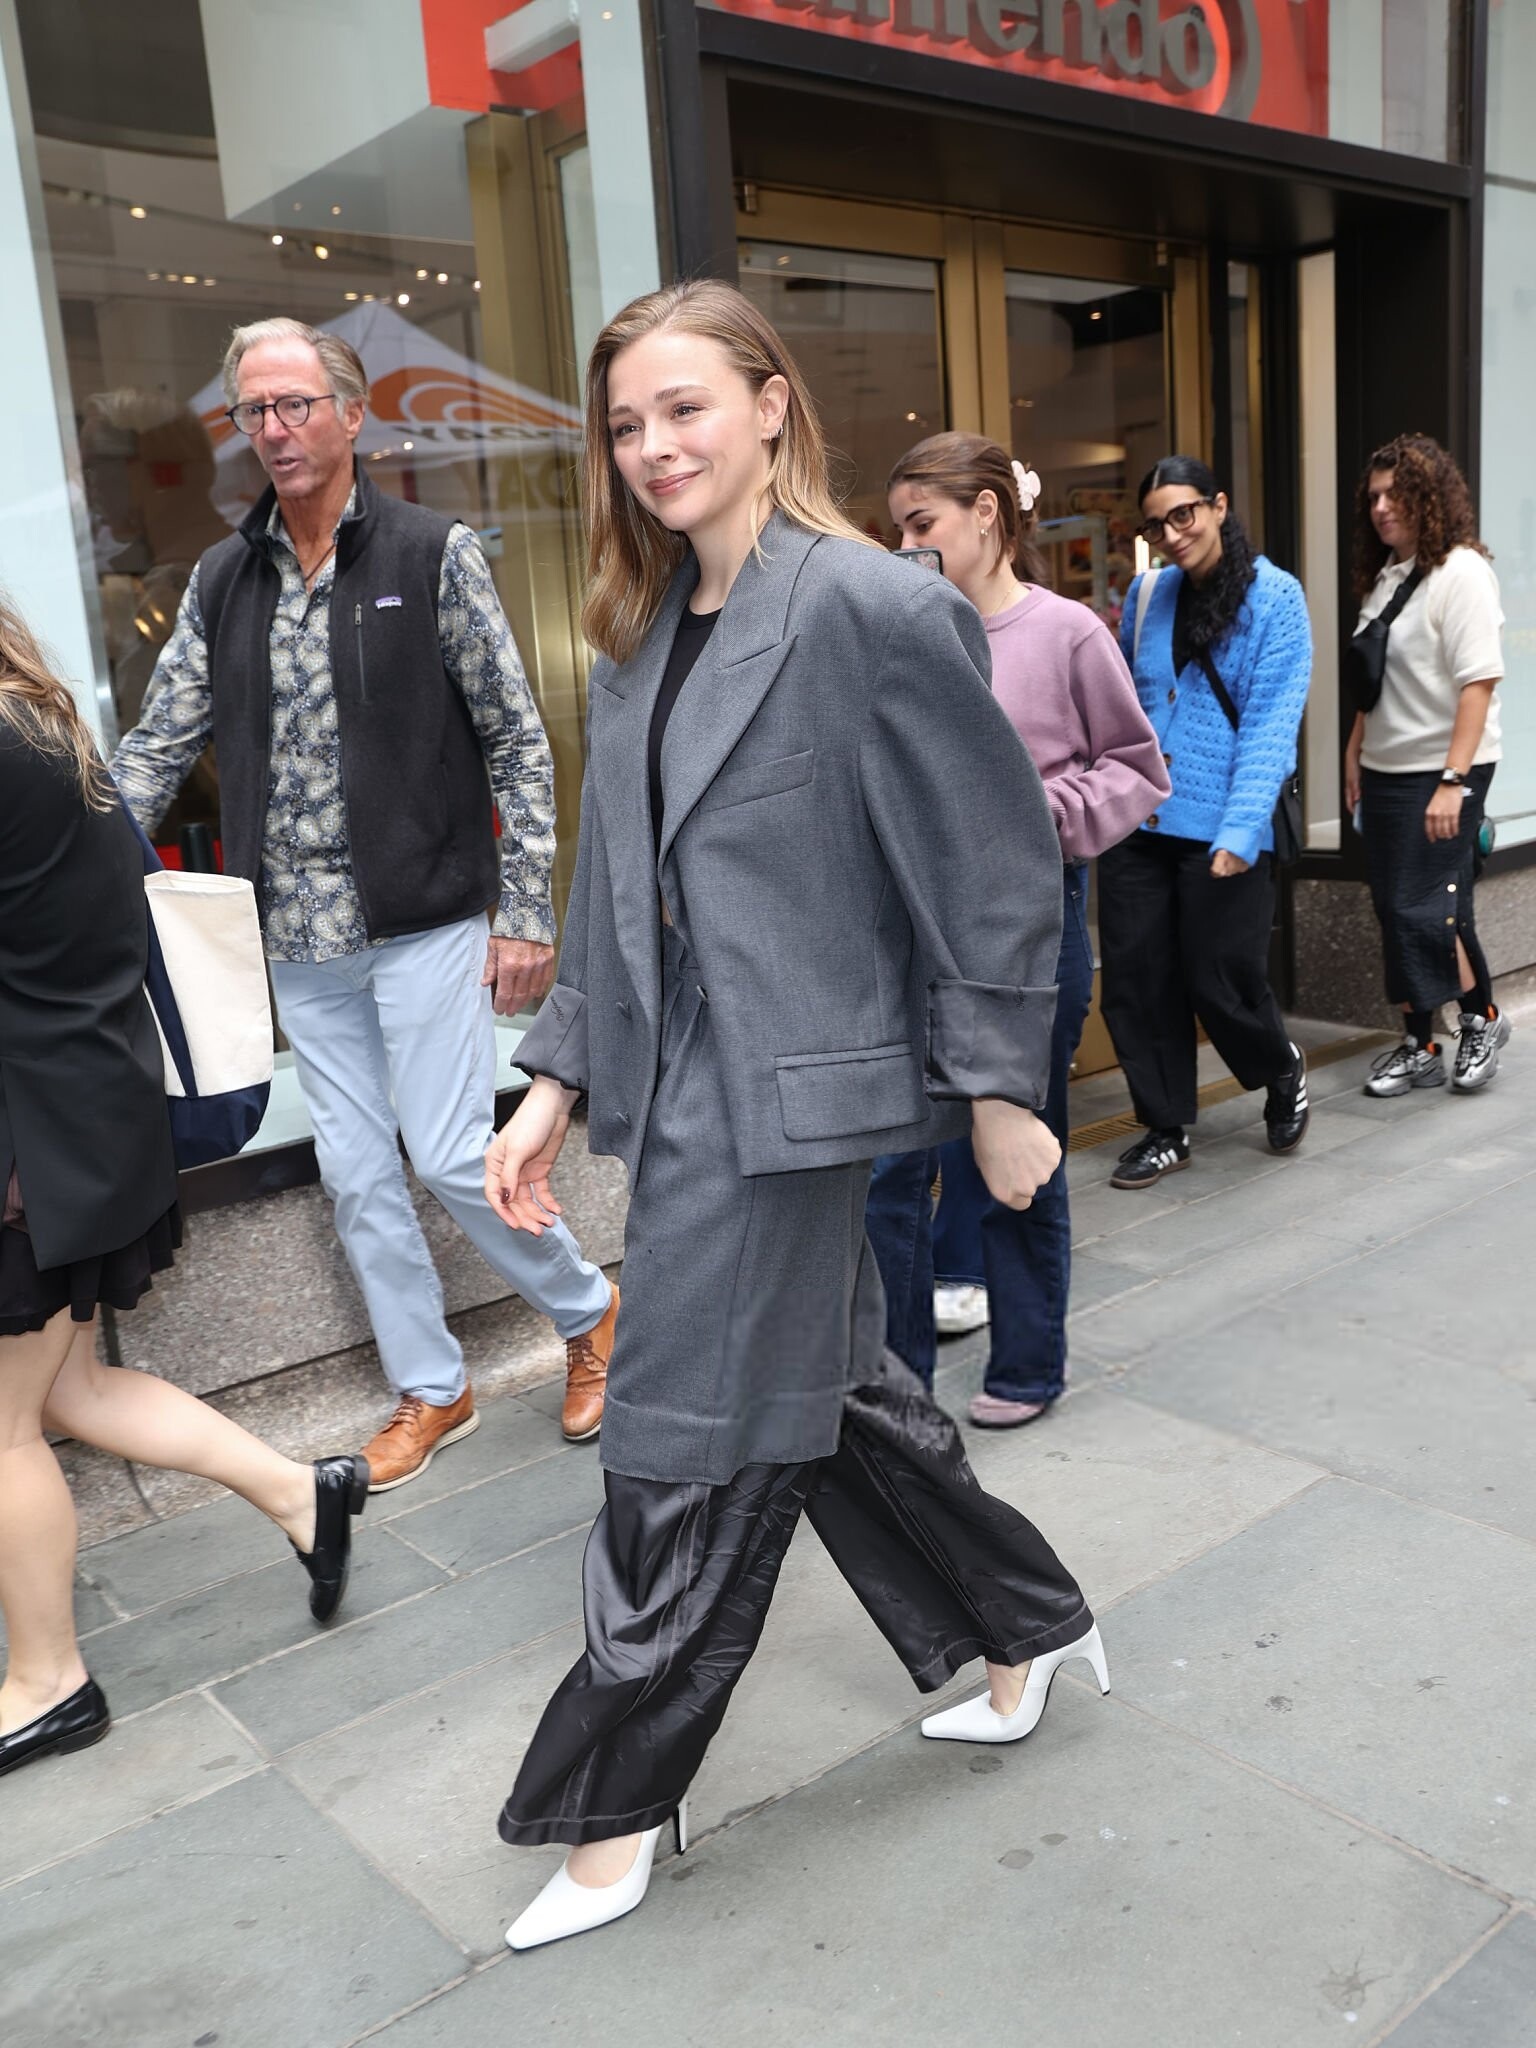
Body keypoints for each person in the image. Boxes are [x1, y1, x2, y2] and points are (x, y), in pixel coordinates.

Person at [483, 282, 1108, 1951]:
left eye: (684, 406)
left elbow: (989, 863)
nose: (652, 445)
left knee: (675, 1430)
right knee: (829, 1396)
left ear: (771, 406)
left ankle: (615, 1805)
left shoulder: (875, 607)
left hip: (790, 1105)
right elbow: (612, 888)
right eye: (626, 422)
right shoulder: (638, 636)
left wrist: (1002, 1093)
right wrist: (551, 1083)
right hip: (681, 1086)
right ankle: (1025, 1624)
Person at [111, 318, 620, 1484]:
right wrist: (79, 844)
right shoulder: (223, 577)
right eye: (254, 410)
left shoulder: (433, 552)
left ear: (351, 414)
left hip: (426, 913)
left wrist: (526, 911)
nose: (275, 428)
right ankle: (432, 1387)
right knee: (353, 1174)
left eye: (295, 403)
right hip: (295, 936)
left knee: (447, 1153)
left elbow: (516, 737)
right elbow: (159, 739)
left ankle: (590, 1310)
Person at [0, 598, 366, 1781]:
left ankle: (50, 1683)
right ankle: (304, 1493)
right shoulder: (44, 725)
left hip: (36, 1142)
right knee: (71, 1390)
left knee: (4, 1426)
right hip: (80, 1118)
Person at [866, 432, 1168, 1425]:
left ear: (987, 512)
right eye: (897, 529)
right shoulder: (904, 636)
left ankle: (1028, 1366)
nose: (906, 547)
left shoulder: (1068, 631)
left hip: (1034, 920)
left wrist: (1034, 814)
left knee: (1019, 1147)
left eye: (922, 523)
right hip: (914, 925)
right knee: (894, 1164)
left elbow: (1137, 768)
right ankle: (898, 1397)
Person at [1099, 456, 1312, 1189]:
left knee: (1220, 978)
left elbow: (1270, 725)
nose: (1171, 534)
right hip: (1140, 823)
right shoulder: (1147, 593)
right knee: (1138, 981)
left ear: (1219, 506)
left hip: (1224, 824)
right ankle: (1164, 1128)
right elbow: (1129, 705)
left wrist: (1241, 830)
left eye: (1183, 514)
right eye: (1156, 524)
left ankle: (1280, 1068)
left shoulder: (1276, 598)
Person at [1345, 433, 1510, 1096]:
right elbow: (1375, 683)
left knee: (1424, 907)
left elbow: (1479, 683)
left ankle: (1480, 1020)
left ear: (1429, 497)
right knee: (1398, 907)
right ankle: (1421, 1043)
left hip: (1443, 770)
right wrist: (1354, 753)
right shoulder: (1387, 579)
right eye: (1374, 497)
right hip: (1386, 769)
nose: (1382, 507)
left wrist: (1452, 781)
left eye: (1396, 494)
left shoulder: (1462, 573)